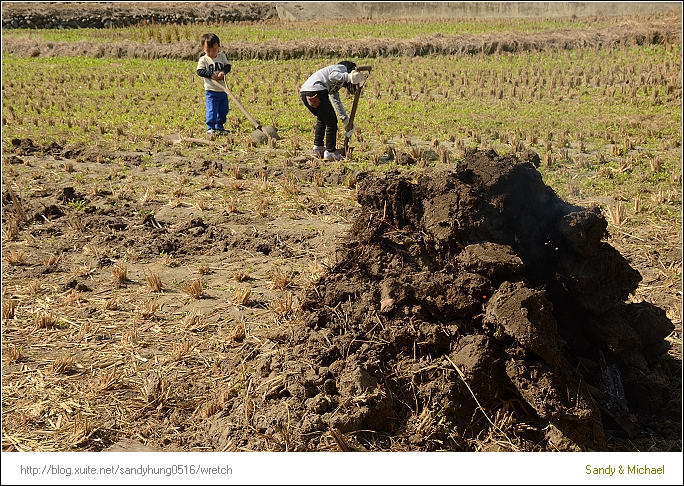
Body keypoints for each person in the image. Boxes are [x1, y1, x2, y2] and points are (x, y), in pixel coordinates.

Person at [300, 61, 368, 160]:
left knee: (322, 119)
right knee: (331, 122)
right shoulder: (340, 68)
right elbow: (333, 76)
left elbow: (336, 101)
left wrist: (345, 119)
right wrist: (349, 76)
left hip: (305, 93)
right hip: (317, 90)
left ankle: (318, 147)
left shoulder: (336, 84)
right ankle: (330, 151)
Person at [196, 33, 232, 135]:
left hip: (223, 90)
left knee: (223, 110)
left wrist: (223, 72)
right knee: (212, 110)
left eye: (214, 50)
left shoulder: (222, 56)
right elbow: (200, 71)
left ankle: (219, 126)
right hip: (211, 90)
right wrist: (211, 74)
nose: (211, 53)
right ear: (203, 49)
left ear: (218, 47)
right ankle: (210, 127)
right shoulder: (203, 60)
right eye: (208, 51)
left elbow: (228, 66)